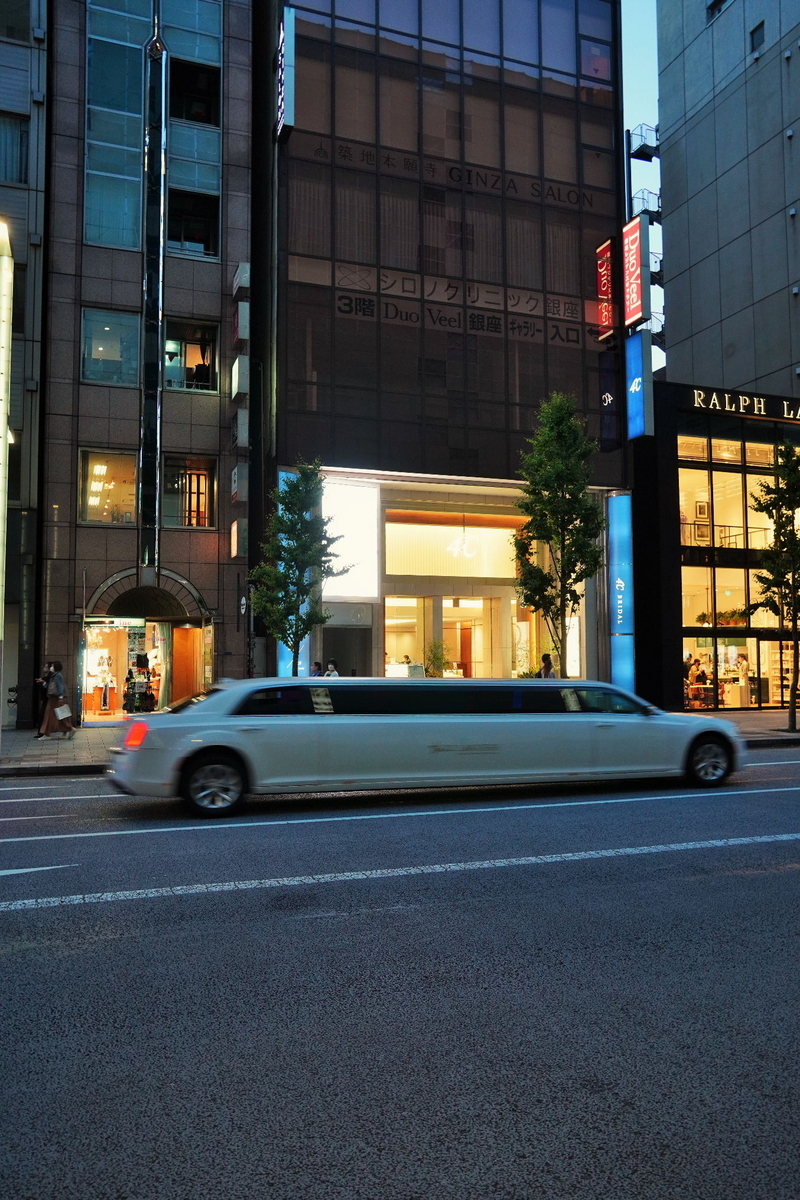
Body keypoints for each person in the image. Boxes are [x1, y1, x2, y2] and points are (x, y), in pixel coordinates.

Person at [36, 660, 75, 739]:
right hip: (53, 698)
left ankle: (47, 734)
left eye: (52, 666)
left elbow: (60, 686)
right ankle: (68, 728)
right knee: (56, 715)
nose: (51, 667)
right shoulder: (55, 676)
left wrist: (60, 696)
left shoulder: (57, 676)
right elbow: (51, 686)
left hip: (54, 698)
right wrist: (43, 683)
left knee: (49, 715)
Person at [34, 662, 53, 729]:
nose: (44, 668)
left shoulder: (52, 677)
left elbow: (49, 687)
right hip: (47, 698)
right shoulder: (46, 677)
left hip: (49, 698)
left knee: (44, 714)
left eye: (46, 667)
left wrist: (43, 682)